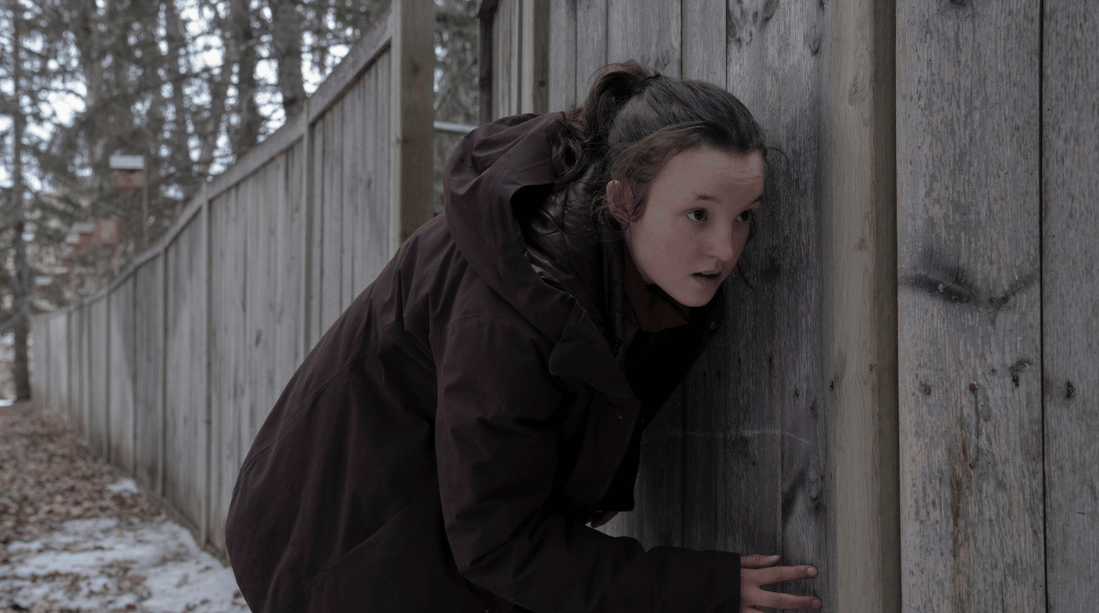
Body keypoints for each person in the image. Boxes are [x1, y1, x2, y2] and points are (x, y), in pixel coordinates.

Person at [224, 61, 822, 613]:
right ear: (622, 200)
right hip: (332, 546)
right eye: (699, 214)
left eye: (745, 215)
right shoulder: (513, 309)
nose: (726, 249)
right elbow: (498, 545)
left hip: (415, 528)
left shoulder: (627, 272)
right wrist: (698, 588)